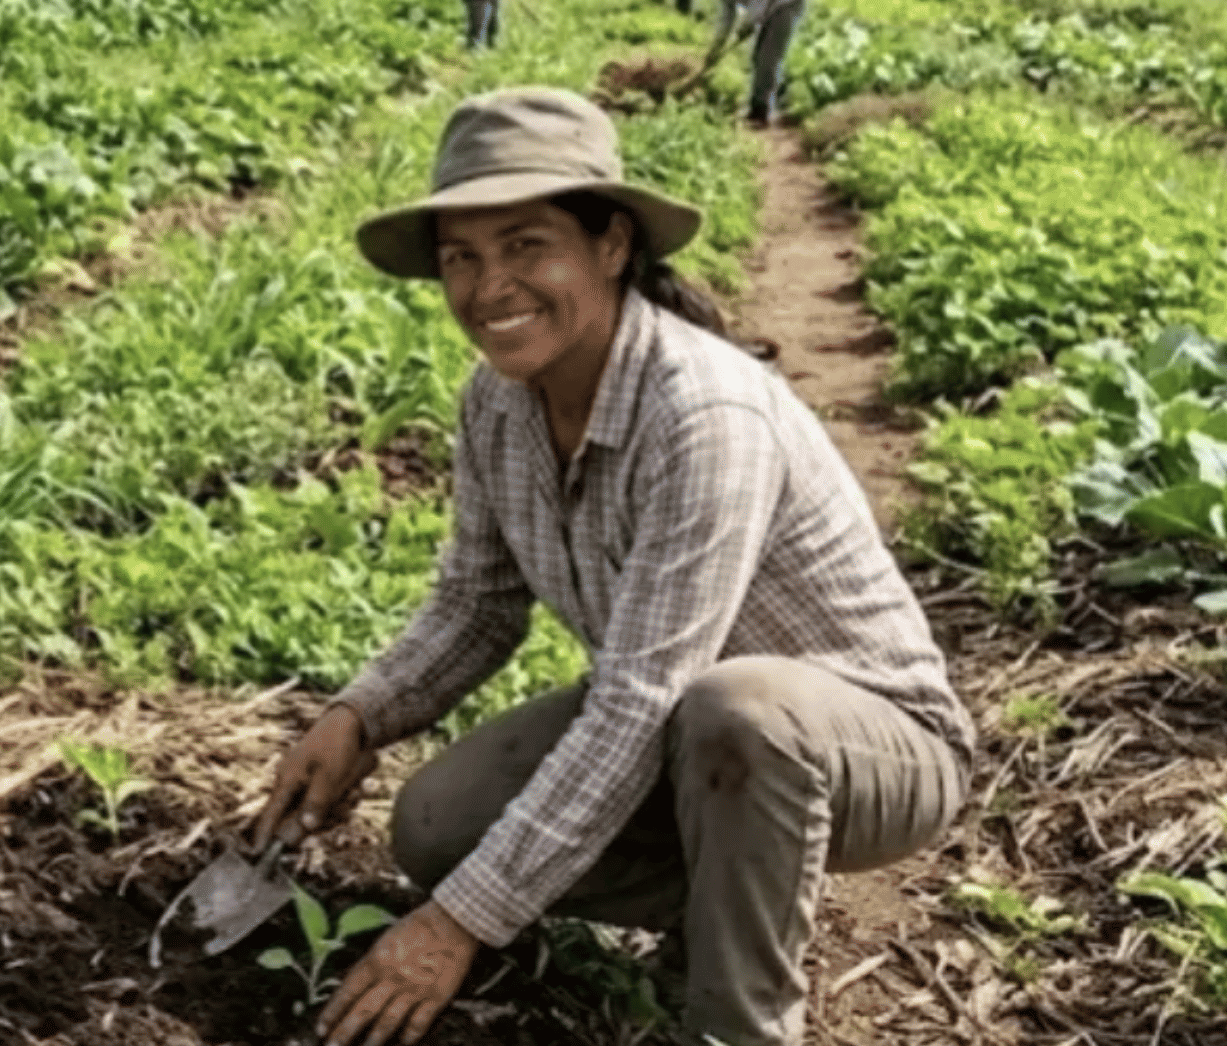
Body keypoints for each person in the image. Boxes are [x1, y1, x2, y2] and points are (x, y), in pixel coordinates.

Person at [252, 87, 974, 1046]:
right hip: (689, 729)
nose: (487, 287)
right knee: (435, 827)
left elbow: (641, 698)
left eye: (524, 245)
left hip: (870, 744)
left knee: (740, 708)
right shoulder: (498, 403)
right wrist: (357, 714)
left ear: (611, 244)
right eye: (460, 258)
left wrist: (462, 921)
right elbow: (476, 605)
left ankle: (738, 1021)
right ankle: (724, 897)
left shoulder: (703, 414)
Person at [691, 0, 811, 125]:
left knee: (767, 58)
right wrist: (714, 50)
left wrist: (748, 22)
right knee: (759, 57)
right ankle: (776, 99)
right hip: (773, 2)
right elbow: (727, 17)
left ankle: (760, 114)